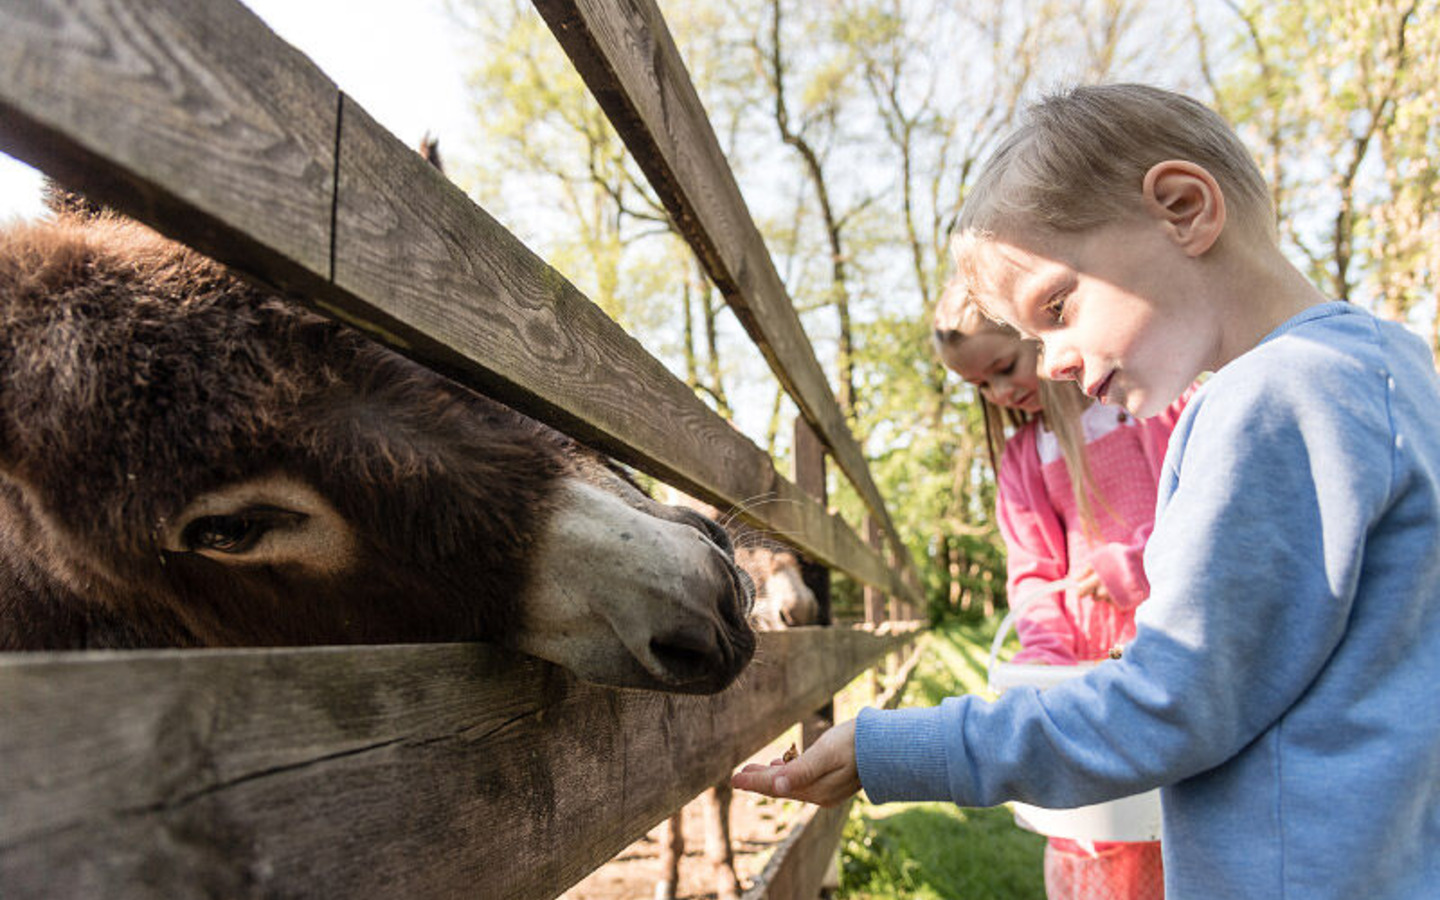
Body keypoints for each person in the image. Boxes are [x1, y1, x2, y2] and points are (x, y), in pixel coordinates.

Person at [732, 83, 1440, 900]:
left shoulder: (1269, 404)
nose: (1054, 361)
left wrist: (888, 747)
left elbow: (1168, 705)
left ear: (1183, 208)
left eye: (1057, 307)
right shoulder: (1384, 370)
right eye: (1035, 339)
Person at [934, 284, 1188, 899]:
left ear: (1043, 337)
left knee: (1175, 827)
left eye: (1004, 368)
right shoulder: (1025, 458)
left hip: (1171, 654)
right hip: (1086, 674)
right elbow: (1034, 578)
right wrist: (1042, 664)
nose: (999, 394)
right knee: (1100, 833)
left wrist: (1133, 567)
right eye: (981, 386)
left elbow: (1205, 519)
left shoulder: (1153, 410)